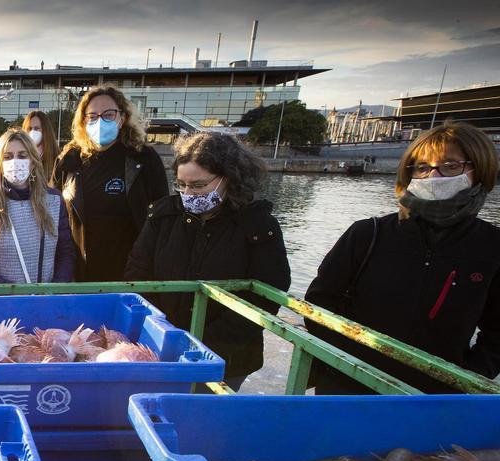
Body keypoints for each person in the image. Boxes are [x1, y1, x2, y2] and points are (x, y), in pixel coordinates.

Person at [305, 121, 500, 393]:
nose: (434, 176)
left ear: (479, 171)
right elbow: (319, 303)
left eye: (450, 166)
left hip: (435, 400)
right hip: (348, 387)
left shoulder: (491, 247)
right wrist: (346, 363)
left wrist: (466, 376)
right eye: (422, 167)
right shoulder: (368, 235)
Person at [125, 132, 291, 389]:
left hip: (228, 355)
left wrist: (204, 342)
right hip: (165, 344)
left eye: (199, 185)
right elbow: (138, 273)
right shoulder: (163, 216)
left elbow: (266, 293)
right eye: (181, 184)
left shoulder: (257, 224)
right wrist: (164, 332)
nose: (189, 193)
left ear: (229, 179)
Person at [53, 86, 168, 281]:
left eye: (108, 114)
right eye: (92, 116)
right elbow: (53, 212)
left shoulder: (144, 159)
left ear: (122, 118)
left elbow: (162, 216)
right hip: (79, 271)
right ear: (83, 121)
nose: (100, 121)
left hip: (128, 272)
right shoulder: (70, 160)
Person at [0, 128, 76, 284]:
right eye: (7, 157)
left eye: (22, 155)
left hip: (48, 300)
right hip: (3, 301)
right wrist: (9, 292)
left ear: (33, 162)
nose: (15, 162)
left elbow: (66, 252)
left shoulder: (54, 200)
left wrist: (55, 289)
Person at [22, 110, 60, 182]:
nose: (32, 132)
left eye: (36, 128)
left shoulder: (56, 159)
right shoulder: (20, 156)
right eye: (29, 129)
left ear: (45, 130)